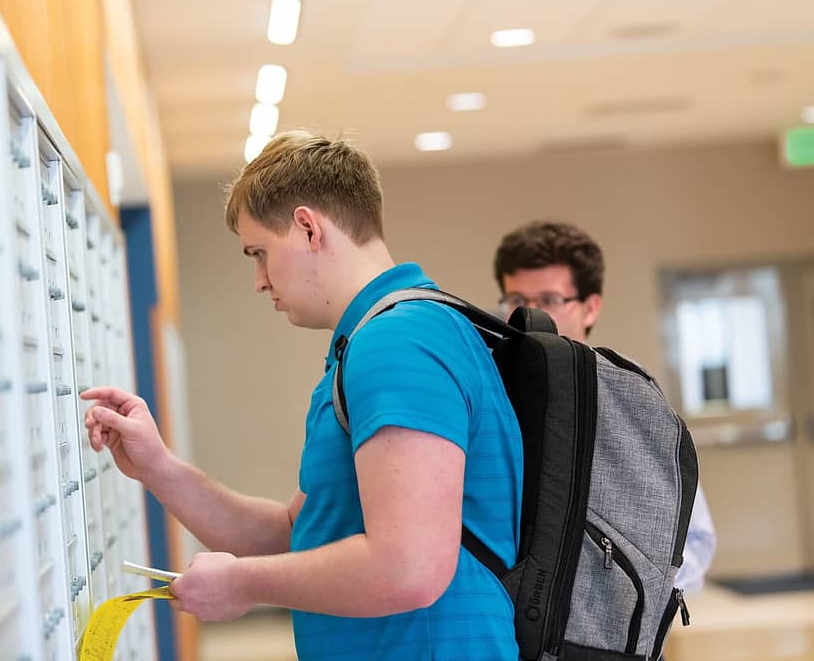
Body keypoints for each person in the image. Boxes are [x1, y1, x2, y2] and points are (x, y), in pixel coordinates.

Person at [81, 130, 523, 660]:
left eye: (259, 253)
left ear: (308, 227)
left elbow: (410, 568)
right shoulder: (369, 341)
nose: (259, 281)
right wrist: (157, 467)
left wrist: (244, 585)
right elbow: (299, 534)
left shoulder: (397, 343)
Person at [493, 219, 716, 592]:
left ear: (590, 308)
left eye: (549, 300)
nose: (531, 317)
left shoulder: (636, 407)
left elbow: (694, 541)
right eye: (516, 301)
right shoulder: (491, 396)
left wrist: (626, 608)